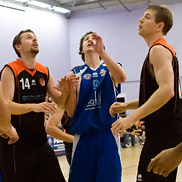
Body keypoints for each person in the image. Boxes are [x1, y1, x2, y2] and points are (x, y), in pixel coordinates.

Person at [110, 5, 182, 182]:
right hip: (165, 132)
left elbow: (167, 91)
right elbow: (157, 95)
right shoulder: (160, 50)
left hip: (163, 133)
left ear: (159, 26)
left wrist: (131, 118)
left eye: (147, 17)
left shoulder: (158, 50)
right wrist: (127, 105)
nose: (140, 19)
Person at [0, 29, 70, 182]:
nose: (35, 40)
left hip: (40, 142)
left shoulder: (44, 71)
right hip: (15, 144)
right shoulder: (10, 69)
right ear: (18, 46)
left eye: (36, 38)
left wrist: (65, 91)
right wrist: (34, 106)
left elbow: (61, 102)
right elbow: (4, 105)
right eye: (29, 38)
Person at [66, 31, 126, 182]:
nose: (90, 40)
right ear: (81, 49)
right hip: (84, 136)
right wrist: (70, 91)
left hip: (108, 133)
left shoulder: (110, 67)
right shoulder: (75, 73)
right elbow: (72, 112)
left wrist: (103, 53)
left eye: (94, 39)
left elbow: (122, 78)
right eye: (86, 39)